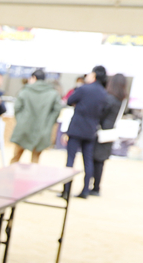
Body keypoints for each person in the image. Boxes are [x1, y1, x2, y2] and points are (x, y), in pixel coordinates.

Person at [62, 65, 109, 199]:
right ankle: (85, 190)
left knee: (70, 159)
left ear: (93, 75)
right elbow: (104, 112)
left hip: (76, 128)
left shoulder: (83, 89)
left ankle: (66, 190)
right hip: (91, 130)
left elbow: (70, 101)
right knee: (88, 161)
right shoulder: (104, 93)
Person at [10, 68, 63, 164]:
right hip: (42, 130)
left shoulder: (25, 91)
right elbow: (57, 110)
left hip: (23, 129)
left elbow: (17, 108)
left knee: (15, 158)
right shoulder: (53, 93)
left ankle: (10, 177)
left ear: (33, 77)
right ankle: (32, 178)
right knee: (35, 161)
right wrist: (49, 122)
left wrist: (21, 120)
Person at [91, 72, 128, 196]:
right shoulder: (121, 100)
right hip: (110, 131)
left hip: (102, 131)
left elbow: (101, 113)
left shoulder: (109, 98)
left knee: (95, 159)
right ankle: (96, 186)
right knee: (100, 161)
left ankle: (93, 186)